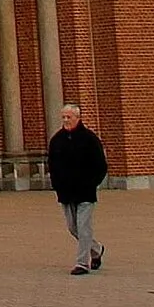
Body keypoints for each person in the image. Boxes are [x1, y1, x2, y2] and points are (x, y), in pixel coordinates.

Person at [46, 101, 109, 272]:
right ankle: (96, 249)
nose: (66, 120)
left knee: (83, 226)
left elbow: (101, 165)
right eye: (63, 117)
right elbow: (52, 165)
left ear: (77, 118)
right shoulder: (57, 140)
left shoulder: (90, 139)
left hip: (85, 191)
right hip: (66, 192)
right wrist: (57, 184)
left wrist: (92, 183)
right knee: (73, 228)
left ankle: (82, 263)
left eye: (69, 117)